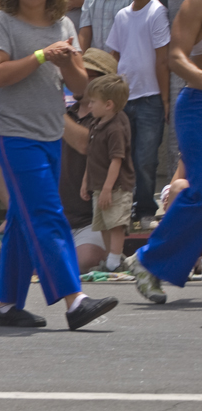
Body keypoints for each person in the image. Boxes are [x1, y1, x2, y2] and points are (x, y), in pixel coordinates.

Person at [0, 0, 116, 330]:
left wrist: (67, 61)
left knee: (25, 219)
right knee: (47, 213)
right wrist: (41, 56)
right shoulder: (2, 22)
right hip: (13, 134)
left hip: (49, 133)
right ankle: (75, 301)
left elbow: (79, 85)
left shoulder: (63, 24)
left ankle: (7, 305)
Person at [129, 0, 202, 304]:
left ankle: (153, 260)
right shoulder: (195, 4)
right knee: (201, 189)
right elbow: (175, 58)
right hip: (198, 107)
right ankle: (149, 260)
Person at [106, 0, 171, 229]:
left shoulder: (158, 12)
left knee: (145, 157)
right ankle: (125, 210)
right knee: (123, 157)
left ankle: (145, 209)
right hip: (124, 99)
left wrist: (165, 99)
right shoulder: (121, 15)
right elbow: (114, 55)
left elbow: (163, 58)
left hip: (150, 97)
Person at [60, 48, 119, 271]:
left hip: (92, 223)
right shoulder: (67, 113)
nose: (75, 77)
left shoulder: (113, 120)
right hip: (59, 219)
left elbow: (88, 145)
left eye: (85, 74)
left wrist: (55, 111)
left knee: (82, 261)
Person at [79, 74, 134, 273]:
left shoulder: (116, 128)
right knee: (102, 223)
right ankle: (112, 257)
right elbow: (91, 155)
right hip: (98, 185)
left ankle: (115, 260)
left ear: (109, 104)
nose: (89, 105)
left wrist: (107, 189)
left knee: (115, 223)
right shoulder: (96, 124)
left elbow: (116, 160)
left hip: (115, 187)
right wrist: (86, 180)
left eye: (93, 102)